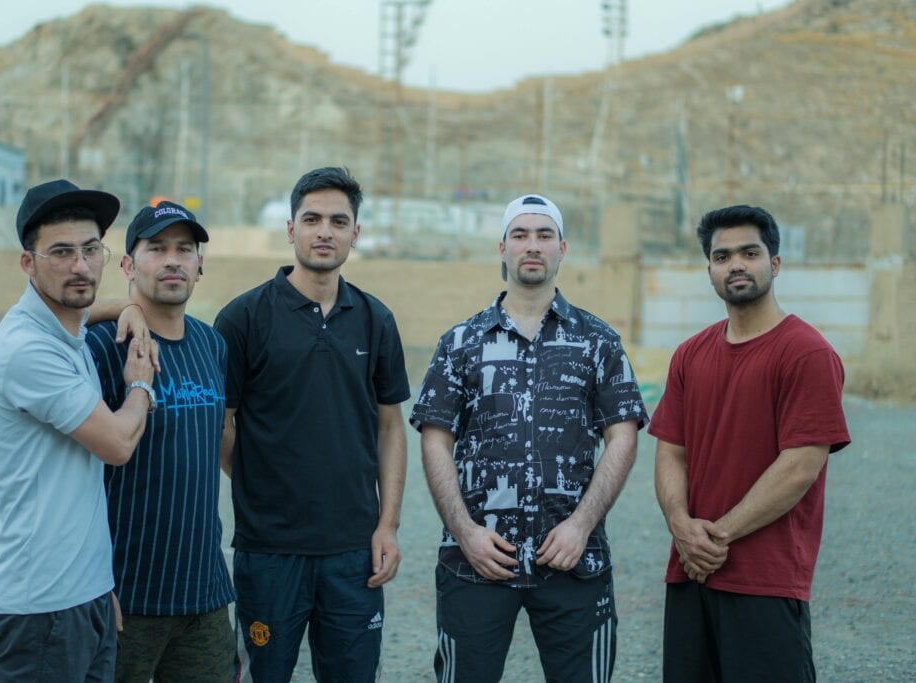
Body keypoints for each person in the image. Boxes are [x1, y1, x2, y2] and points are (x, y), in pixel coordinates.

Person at [409, 194, 647, 682]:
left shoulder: (597, 341)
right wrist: (464, 531)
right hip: (476, 560)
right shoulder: (460, 342)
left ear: (562, 248)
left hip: (573, 559)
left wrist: (581, 526)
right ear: (502, 247)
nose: (531, 245)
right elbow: (435, 440)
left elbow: (622, 436)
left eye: (543, 235)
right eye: (520, 235)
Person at [213, 167, 410, 681]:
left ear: (355, 234)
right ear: (291, 229)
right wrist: (262, 479)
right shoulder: (243, 318)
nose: (325, 231)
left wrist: (386, 525)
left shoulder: (375, 319)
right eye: (312, 218)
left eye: (338, 221)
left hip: (354, 555)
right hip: (268, 554)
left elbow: (391, 428)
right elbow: (223, 423)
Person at [650, 205, 851, 682]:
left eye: (749, 252)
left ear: (775, 264)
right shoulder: (689, 354)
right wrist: (680, 524)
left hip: (765, 578)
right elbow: (670, 452)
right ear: (710, 271)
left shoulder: (806, 353)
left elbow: (800, 465)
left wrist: (717, 537)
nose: (735, 264)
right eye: (722, 256)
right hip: (691, 572)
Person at [0, 179, 156, 681]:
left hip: (84, 596)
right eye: (61, 252)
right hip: (41, 608)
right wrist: (140, 384)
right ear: (27, 263)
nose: (80, 266)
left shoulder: (62, 328)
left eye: (90, 249)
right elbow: (119, 443)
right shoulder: (29, 350)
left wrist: (127, 308)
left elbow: (84, 306)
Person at [86, 201, 237, 681]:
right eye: (156, 248)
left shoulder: (211, 344)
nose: (173, 260)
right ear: (128, 265)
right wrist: (90, 580)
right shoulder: (101, 346)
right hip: (125, 595)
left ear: (199, 266)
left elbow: (222, 445)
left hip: (204, 595)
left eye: (184, 249)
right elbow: (37, 323)